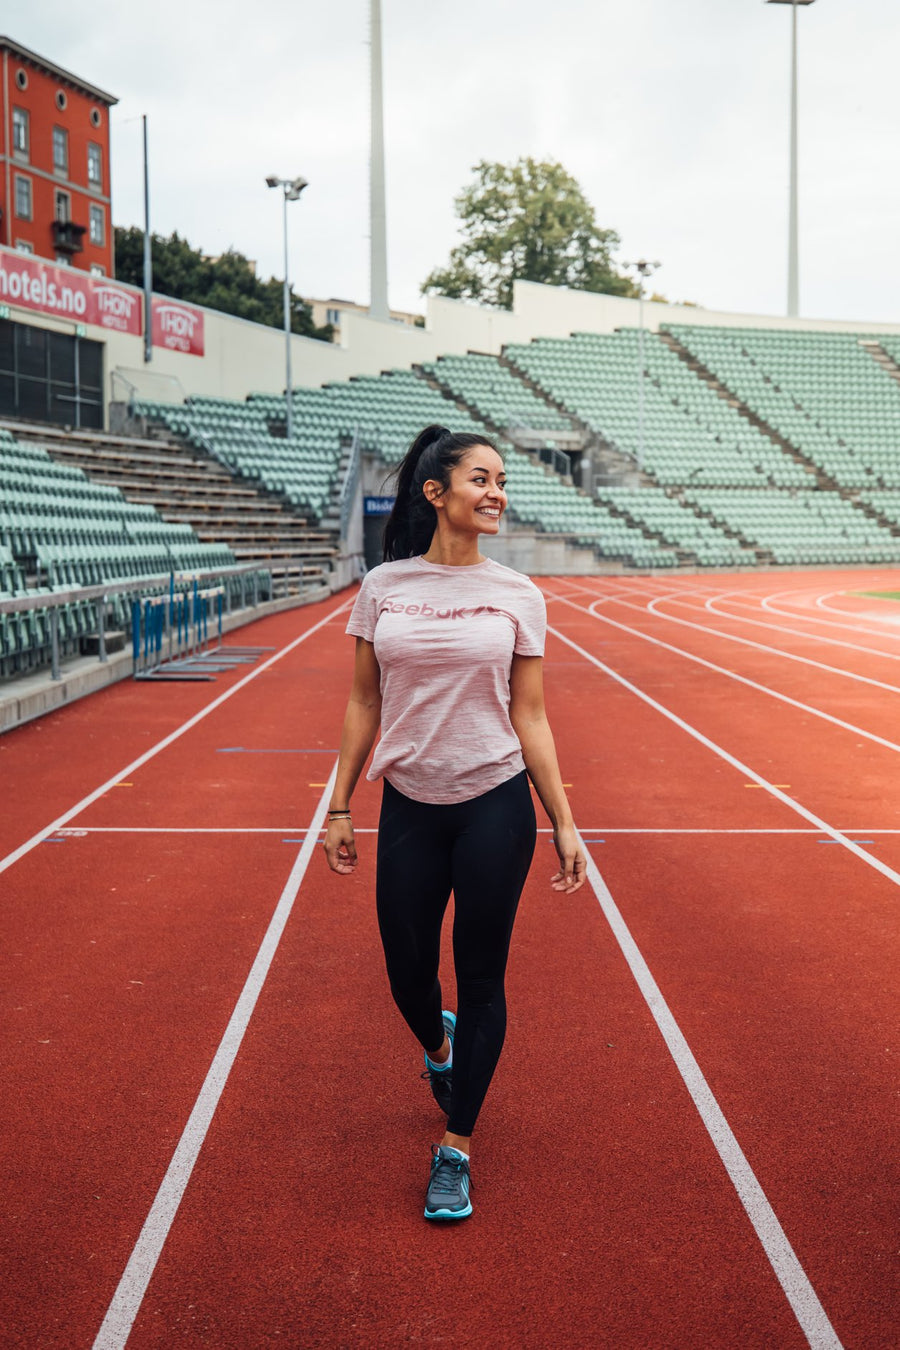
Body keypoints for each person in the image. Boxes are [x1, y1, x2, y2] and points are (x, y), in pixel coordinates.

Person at [323, 424, 585, 1221]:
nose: (497, 491)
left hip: (494, 805)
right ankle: (439, 1052)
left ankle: (456, 1146)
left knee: (481, 975)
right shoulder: (384, 587)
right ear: (436, 493)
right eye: (481, 478)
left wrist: (565, 822)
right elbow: (363, 701)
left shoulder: (519, 595)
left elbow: (530, 717)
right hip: (409, 800)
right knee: (407, 971)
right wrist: (338, 806)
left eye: (502, 479)